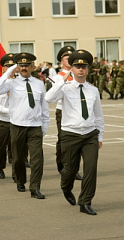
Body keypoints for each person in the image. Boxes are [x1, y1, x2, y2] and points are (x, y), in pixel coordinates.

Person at [45, 49, 104, 215]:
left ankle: (85, 202)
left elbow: (98, 115)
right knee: (69, 170)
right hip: (70, 134)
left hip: (90, 135)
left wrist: (100, 135)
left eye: (84, 67)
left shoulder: (92, 90)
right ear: (72, 69)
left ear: (88, 69)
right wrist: (62, 80)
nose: (81, 70)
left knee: (91, 168)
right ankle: (66, 187)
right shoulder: (65, 88)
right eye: (77, 67)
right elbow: (49, 99)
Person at [0, 52, 50, 199]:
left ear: (32, 66)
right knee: (18, 158)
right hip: (17, 126)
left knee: (37, 159)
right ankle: (20, 180)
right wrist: (8, 72)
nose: (24, 68)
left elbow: (44, 107)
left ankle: (35, 187)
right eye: (21, 65)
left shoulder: (39, 83)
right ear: (18, 67)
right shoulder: (11, 83)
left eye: (27, 65)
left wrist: (44, 127)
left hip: (35, 126)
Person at [51, 46, 82, 180]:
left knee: (77, 140)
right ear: (61, 61)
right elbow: (55, 95)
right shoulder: (57, 77)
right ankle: (63, 166)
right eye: (66, 58)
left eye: (71, 58)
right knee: (63, 139)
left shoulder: (78, 74)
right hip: (63, 111)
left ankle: (74, 168)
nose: (69, 60)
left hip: (77, 110)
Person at [0, 53, 15, 179]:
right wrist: (6, 110)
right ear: (4, 68)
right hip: (2, 120)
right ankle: (0, 167)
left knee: (16, 146)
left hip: (16, 120)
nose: (10, 69)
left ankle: (16, 171)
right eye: (8, 66)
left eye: (13, 66)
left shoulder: (19, 82)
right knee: (1, 146)